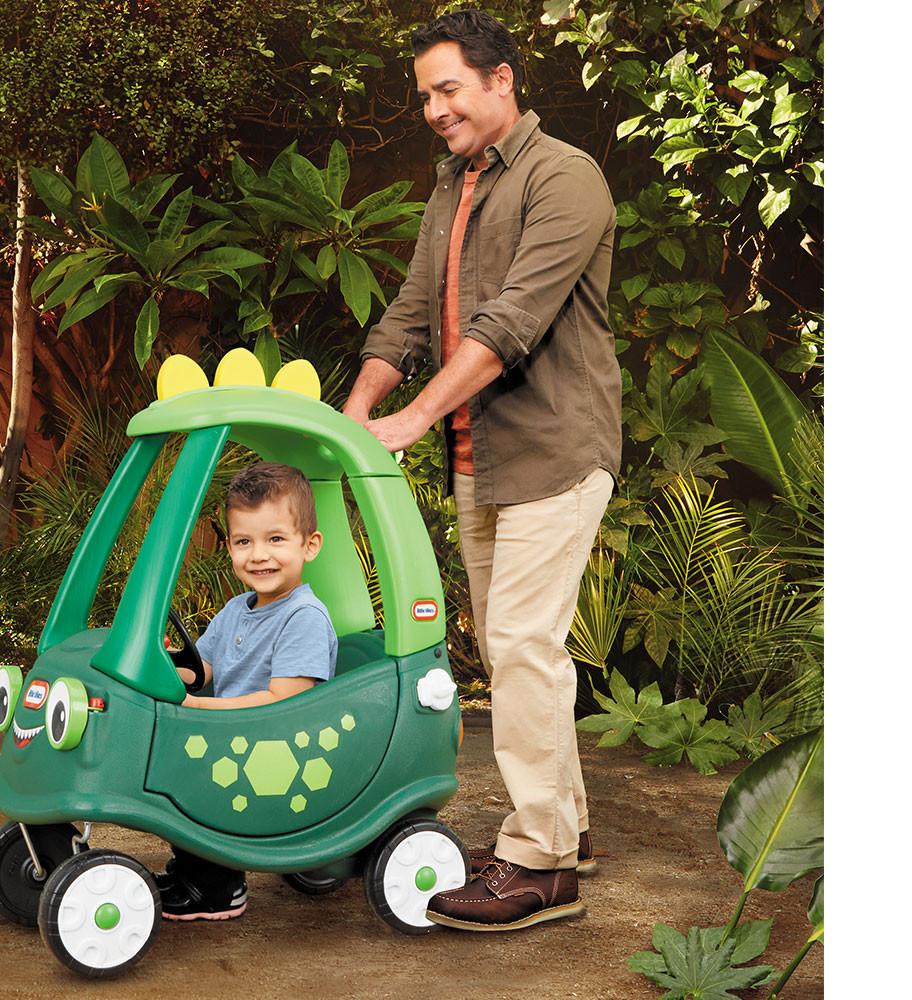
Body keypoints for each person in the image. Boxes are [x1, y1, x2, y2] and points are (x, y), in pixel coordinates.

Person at [342, 9, 621, 932]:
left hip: (555, 451)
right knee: (515, 654)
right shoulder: (453, 185)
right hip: (483, 458)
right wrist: (356, 414)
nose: (434, 109)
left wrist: (414, 417)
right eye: (425, 95)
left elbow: (513, 320)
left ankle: (540, 865)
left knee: (523, 646)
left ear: (502, 80)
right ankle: (565, 829)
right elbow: (410, 314)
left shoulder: (563, 178)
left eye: (448, 89)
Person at [155, 461, 338, 920]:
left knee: (189, 777)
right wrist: (159, 670)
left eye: (275, 539)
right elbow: (201, 671)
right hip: (236, 738)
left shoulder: (303, 618)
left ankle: (219, 886)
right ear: (231, 546)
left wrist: (198, 708)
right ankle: (192, 869)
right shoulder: (237, 609)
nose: (258, 555)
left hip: (279, 750)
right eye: (244, 542)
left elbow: (285, 704)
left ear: (309, 545)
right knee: (160, 761)